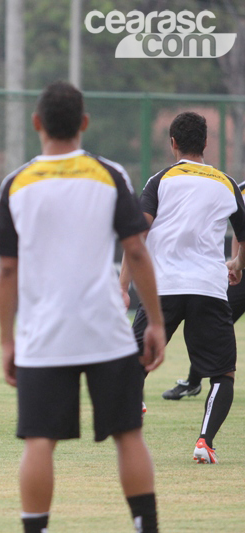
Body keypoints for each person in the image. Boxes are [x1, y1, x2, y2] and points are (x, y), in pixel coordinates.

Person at [0, 81, 164, 533]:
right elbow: (138, 252)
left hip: (43, 338)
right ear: (84, 123)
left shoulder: (16, 183)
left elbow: (6, 272)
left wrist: (7, 341)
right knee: (128, 435)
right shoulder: (110, 174)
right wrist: (157, 323)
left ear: (36, 124)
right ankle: (146, 526)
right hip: (105, 331)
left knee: (39, 441)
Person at [120, 111, 245, 464]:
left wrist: (123, 284)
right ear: (206, 143)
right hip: (208, 286)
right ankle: (204, 442)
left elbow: (137, 235)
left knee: (134, 359)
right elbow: (243, 234)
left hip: (163, 287)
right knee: (223, 374)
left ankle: (133, 402)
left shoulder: (160, 180)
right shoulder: (227, 183)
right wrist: (236, 264)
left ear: (172, 143)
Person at [162, 182, 245, 401]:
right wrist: (238, 264)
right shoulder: (240, 189)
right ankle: (193, 382)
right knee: (210, 329)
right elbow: (240, 231)